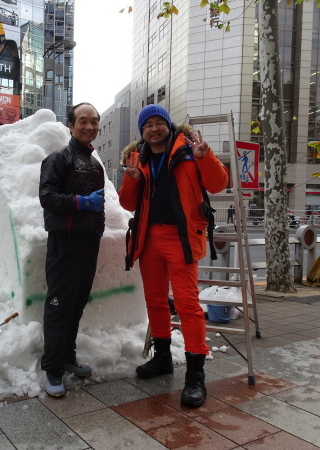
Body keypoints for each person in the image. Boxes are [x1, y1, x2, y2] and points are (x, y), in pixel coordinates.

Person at [118, 104, 228, 408]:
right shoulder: (137, 158)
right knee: (154, 300)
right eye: (147, 125)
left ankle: (195, 375)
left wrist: (206, 158)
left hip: (180, 237)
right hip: (148, 237)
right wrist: (131, 178)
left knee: (188, 304)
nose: (154, 129)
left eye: (158, 123)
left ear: (168, 125)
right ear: (142, 132)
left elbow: (219, 184)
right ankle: (162, 358)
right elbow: (127, 204)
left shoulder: (189, 150)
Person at [39, 102, 105, 397]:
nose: (89, 126)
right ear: (70, 125)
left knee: (76, 304)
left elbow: (100, 205)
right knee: (58, 306)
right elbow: (47, 197)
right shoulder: (58, 158)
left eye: (94, 121)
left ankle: (67, 357)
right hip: (63, 242)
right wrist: (81, 203)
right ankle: (52, 366)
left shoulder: (96, 164)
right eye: (83, 121)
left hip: (88, 242)